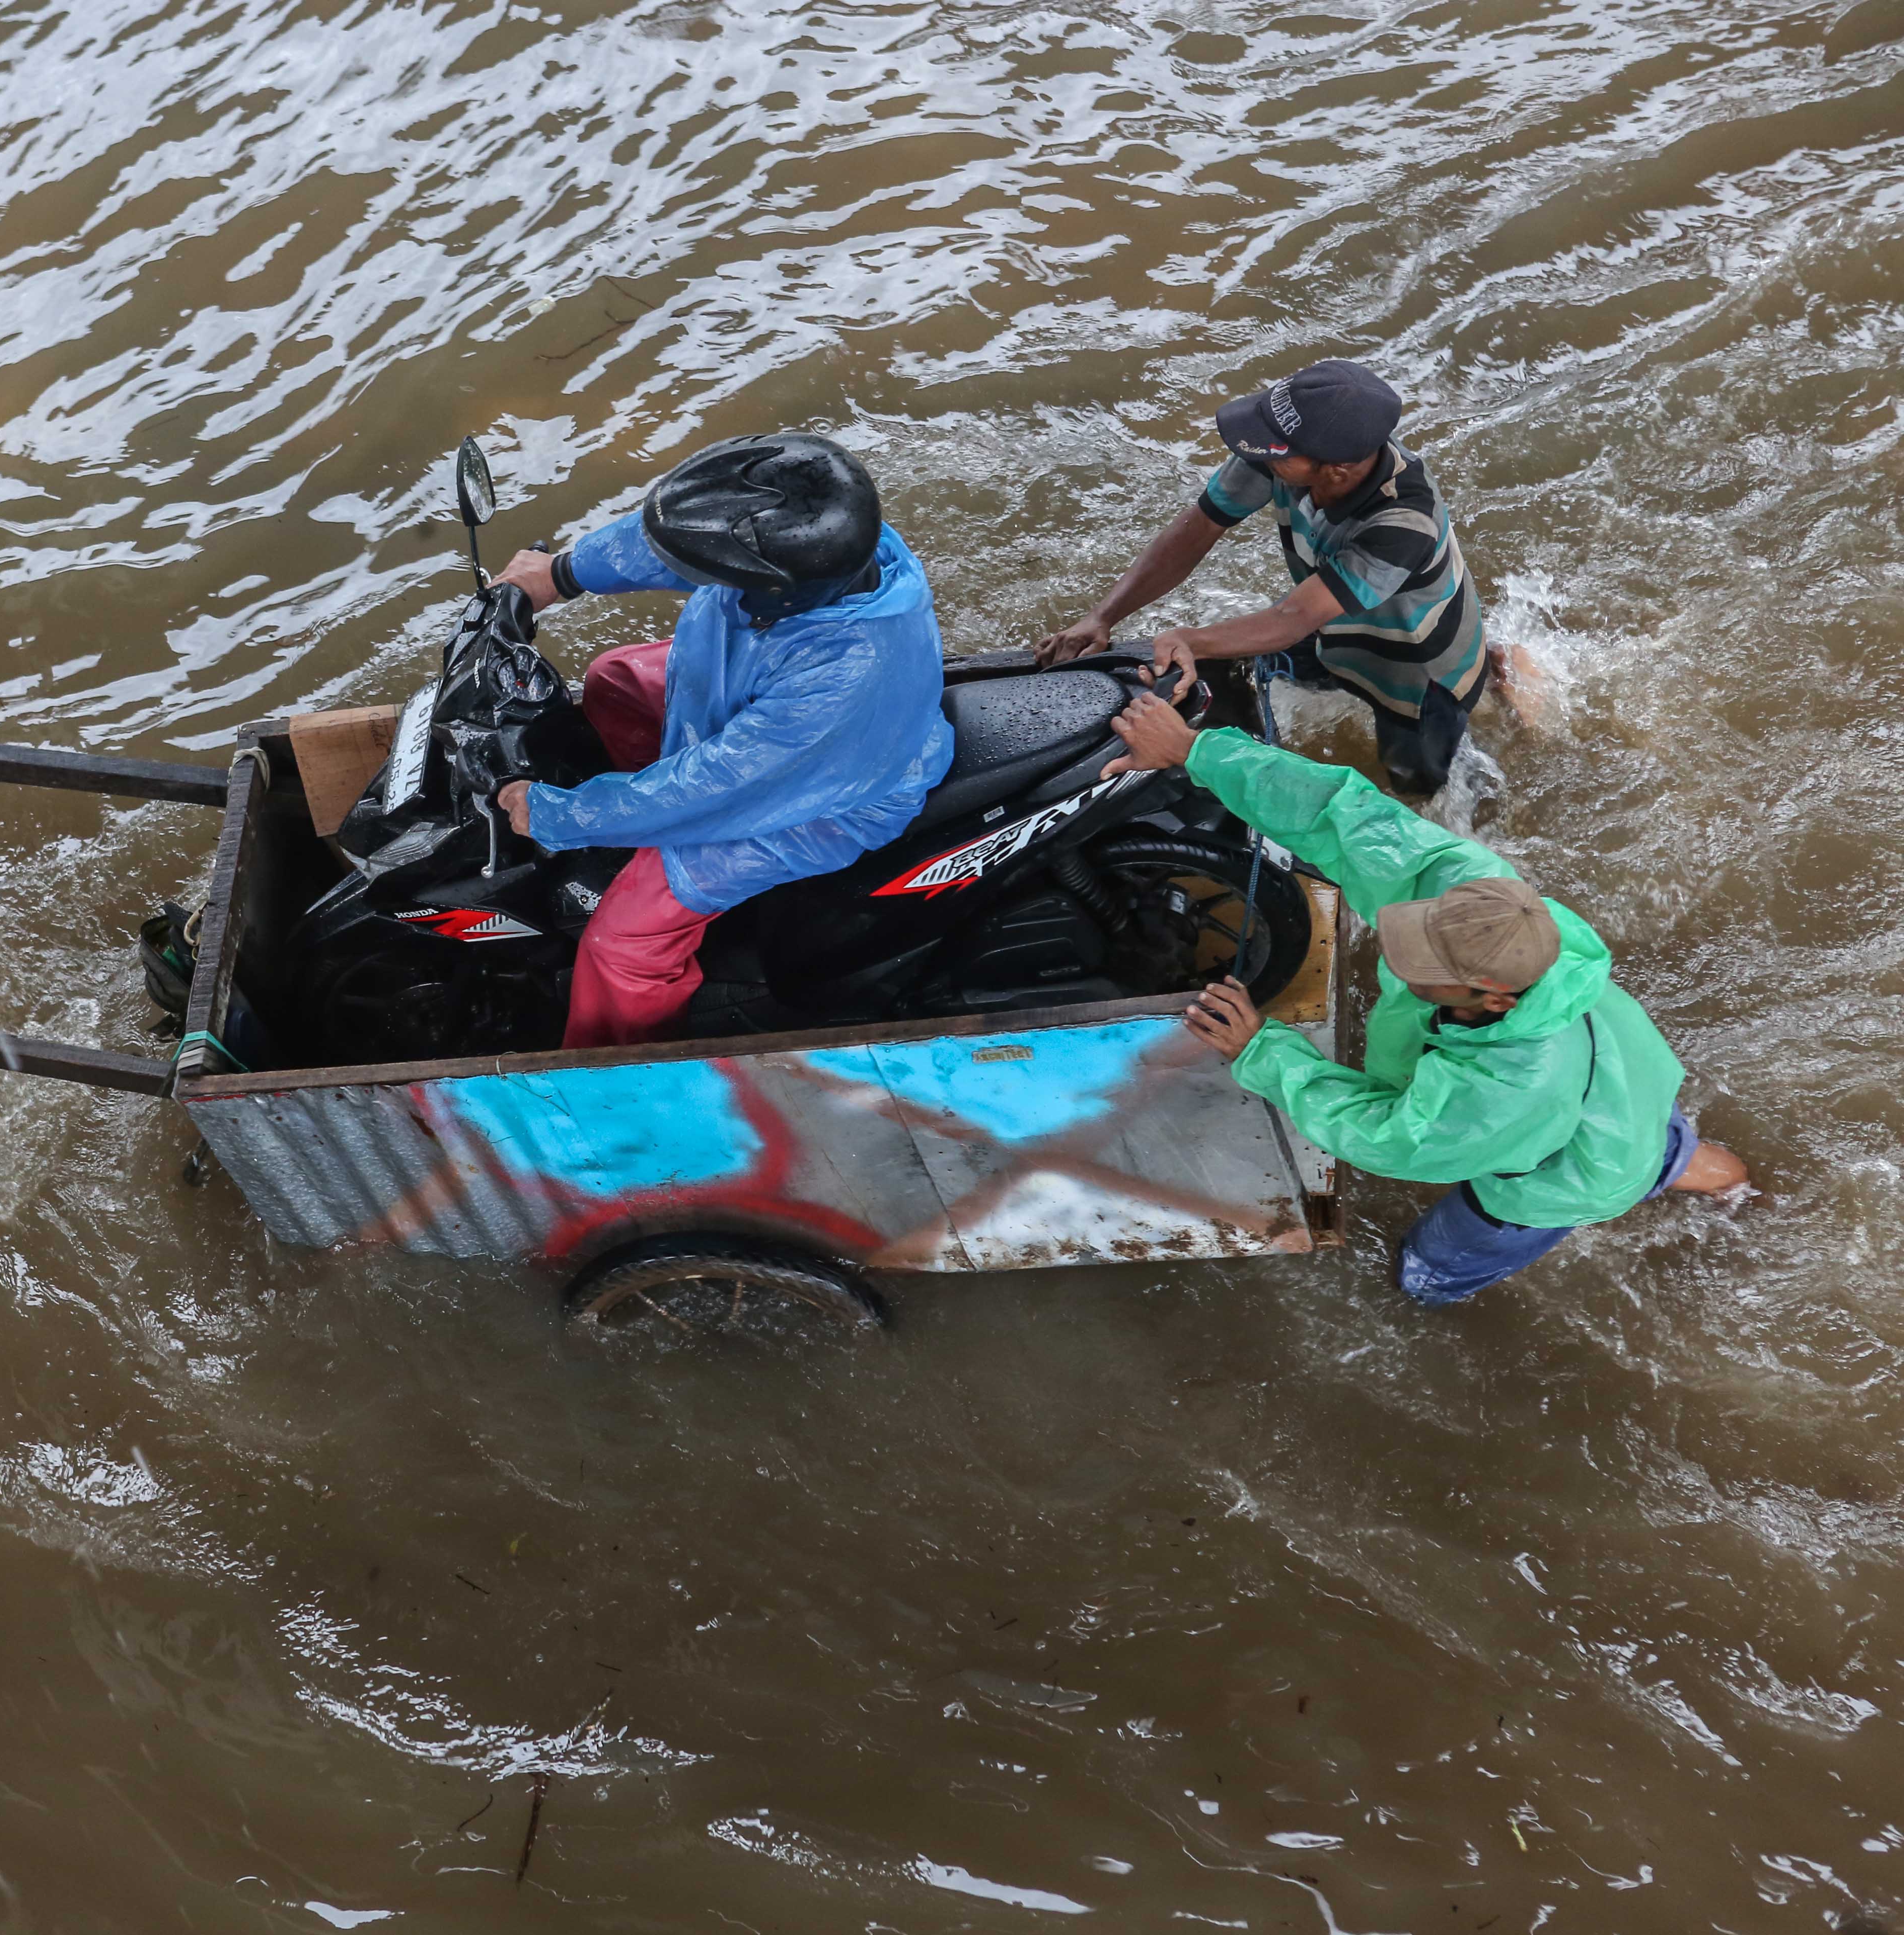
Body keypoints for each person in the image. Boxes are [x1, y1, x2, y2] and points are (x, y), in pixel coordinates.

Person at [1103, 689, 1746, 1303]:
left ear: (1491, 999)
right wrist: (1196, 750)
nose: (1396, 946)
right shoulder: (1474, 896)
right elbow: (1343, 813)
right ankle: (1736, 1186)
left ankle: (1450, 1285)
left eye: (1421, 965)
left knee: (1427, 1271)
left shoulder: (1506, 1087)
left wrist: (1265, 1050)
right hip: (1626, 1083)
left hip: (1565, 1177)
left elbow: (1389, 1137)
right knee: (1660, 1150)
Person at [486, 433, 953, 1048]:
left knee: (623, 942)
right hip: (751, 697)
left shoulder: (846, 676)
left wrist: (559, 814)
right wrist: (563, 575)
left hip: (818, 802)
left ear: (774, 592)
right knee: (613, 679)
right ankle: (636, 827)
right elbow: (672, 543)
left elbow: (714, 790)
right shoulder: (826, 549)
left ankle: (624, 1069)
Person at [1038, 359, 1517, 799]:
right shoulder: (1280, 459)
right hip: (1333, 627)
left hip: (1418, 669)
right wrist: (1103, 616)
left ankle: (1495, 677)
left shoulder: (1406, 521)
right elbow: (1197, 529)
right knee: (1236, 675)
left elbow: (1294, 616)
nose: (1256, 454)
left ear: (1335, 471)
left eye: (1276, 451)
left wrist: (1191, 639)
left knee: (1416, 792)